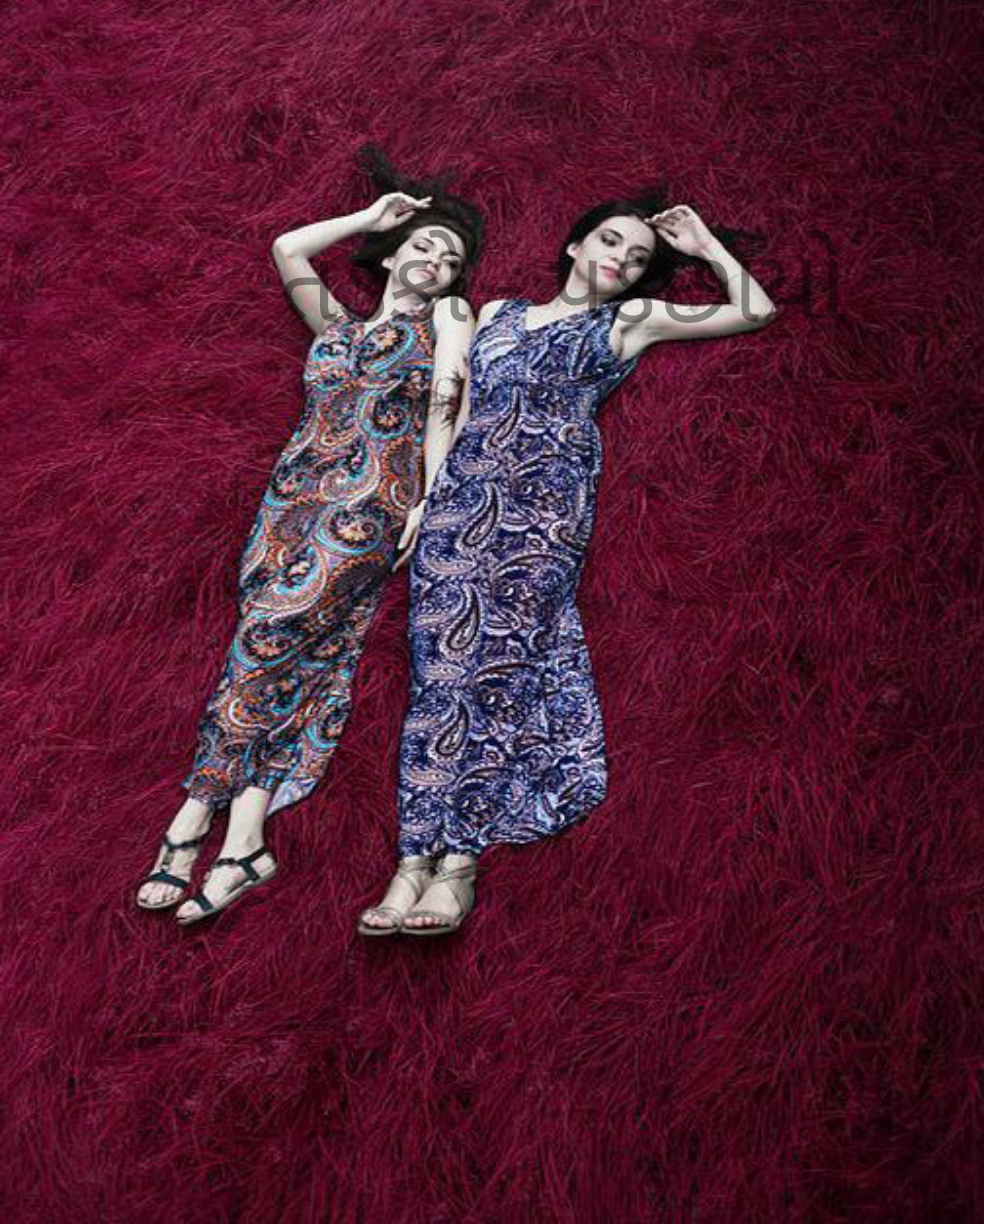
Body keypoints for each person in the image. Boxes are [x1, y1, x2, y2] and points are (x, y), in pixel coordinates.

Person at [357, 193, 776, 935]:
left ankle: (458, 866)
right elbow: (455, 408)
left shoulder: (628, 321)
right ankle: (410, 861)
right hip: (458, 504)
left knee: (497, 671)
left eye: (637, 257)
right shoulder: (498, 315)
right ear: (578, 245)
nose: (621, 259)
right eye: (610, 241)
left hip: (542, 514)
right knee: (437, 675)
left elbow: (755, 310)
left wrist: (705, 244)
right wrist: (426, 496)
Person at [135, 144, 483, 922]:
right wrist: (372, 216)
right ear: (390, 255)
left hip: (370, 503)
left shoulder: (448, 318)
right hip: (289, 502)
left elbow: (447, 402)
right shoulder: (334, 326)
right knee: (294, 657)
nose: (436, 262)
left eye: (451, 259)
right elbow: (287, 248)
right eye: (425, 246)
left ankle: (191, 815)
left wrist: (427, 498)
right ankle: (246, 843)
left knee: (271, 634)